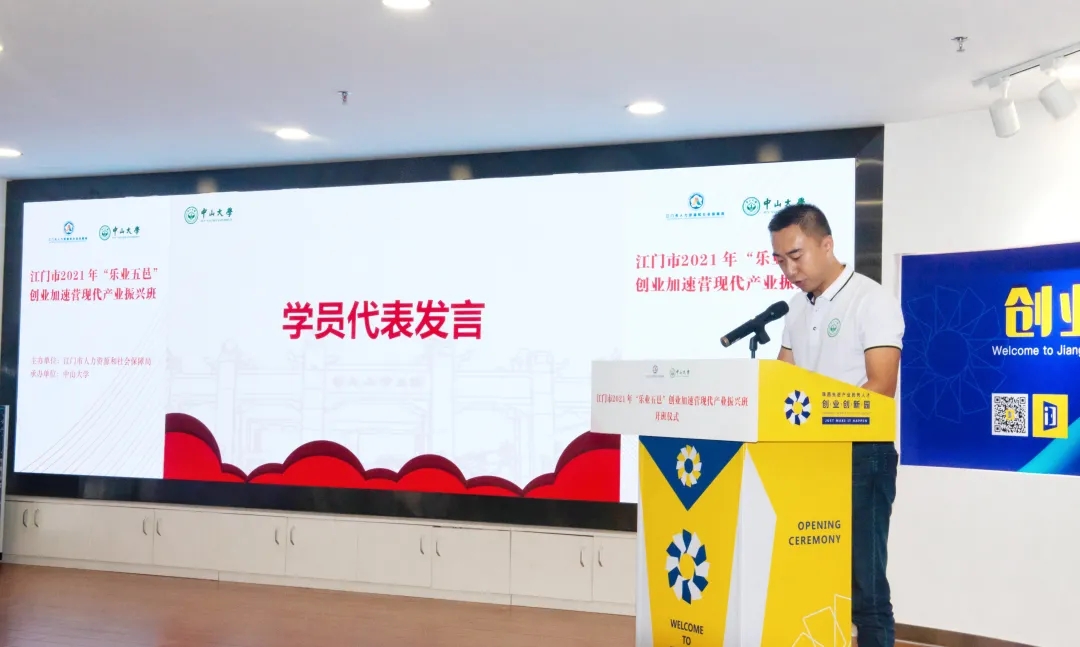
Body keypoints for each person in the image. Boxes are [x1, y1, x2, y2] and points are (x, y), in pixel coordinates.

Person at [769, 204, 904, 647]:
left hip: (861, 457)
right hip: (809, 458)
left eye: (796, 256)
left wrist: (820, 422)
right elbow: (782, 380)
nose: (789, 270)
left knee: (865, 586)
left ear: (826, 244)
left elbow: (881, 386)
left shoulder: (871, 300)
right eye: (780, 261)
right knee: (812, 578)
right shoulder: (795, 308)